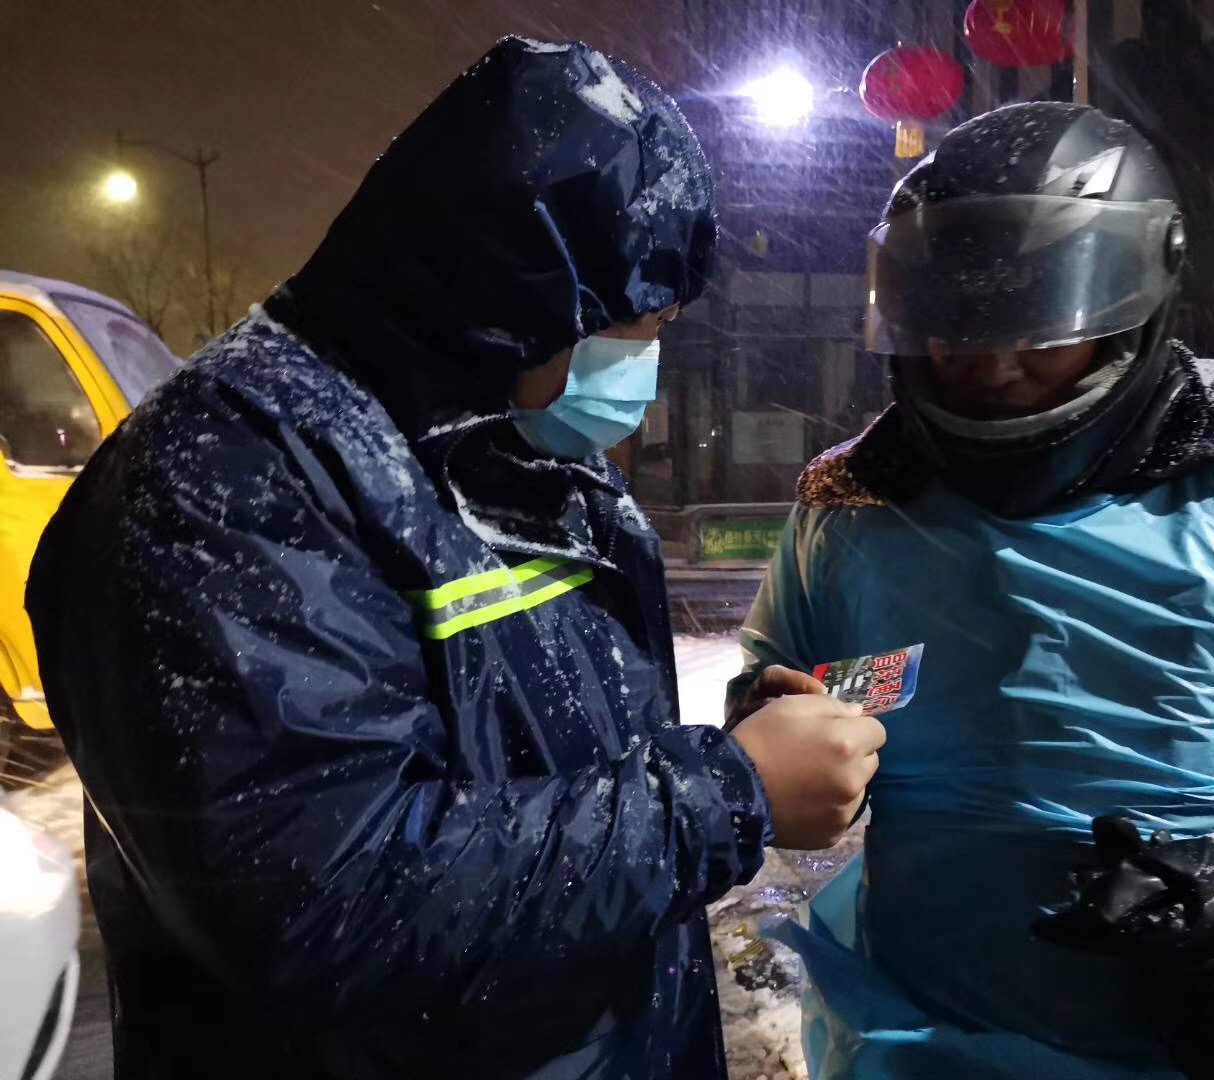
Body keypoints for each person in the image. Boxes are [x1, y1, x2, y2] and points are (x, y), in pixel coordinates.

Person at [26, 38, 886, 1079]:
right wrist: (724, 795)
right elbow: (325, 904)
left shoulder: (517, 442)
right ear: (507, 297)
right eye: (628, 327)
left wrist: (731, 745)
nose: (641, 365)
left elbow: (533, 748)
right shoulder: (222, 480)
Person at [731, 101, 1214, 1079]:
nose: (992, 365)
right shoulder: (853, 501)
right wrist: (768, 727)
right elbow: (795, 682)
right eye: (958, 327)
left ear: (1129, 301)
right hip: (928, 1033)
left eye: (1037, 324)